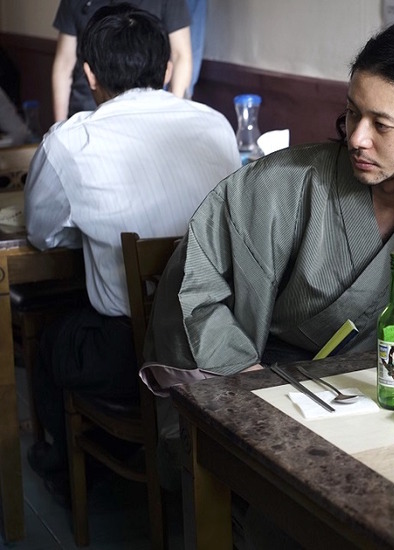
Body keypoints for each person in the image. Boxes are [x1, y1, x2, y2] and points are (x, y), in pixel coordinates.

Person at [146, 20, 394, 377]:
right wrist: (244, 375)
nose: (357, 138)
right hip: (280, 390)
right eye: (354, 112)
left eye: (382, 124)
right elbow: (195, 289)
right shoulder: (283, 184)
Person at [24, 3, 240, 501]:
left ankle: (70, 472)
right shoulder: (214, 125)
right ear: (166, 69)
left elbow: (43, 235)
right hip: (221, 340)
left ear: (89, 74)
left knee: (53, 339)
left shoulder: (70, 141)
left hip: (128, 354)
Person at [51, 0, 192, 121]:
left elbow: (181, 56)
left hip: (148, 112)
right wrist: (60, 124)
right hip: (86, 108)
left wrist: (172, 113)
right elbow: (64, 63)